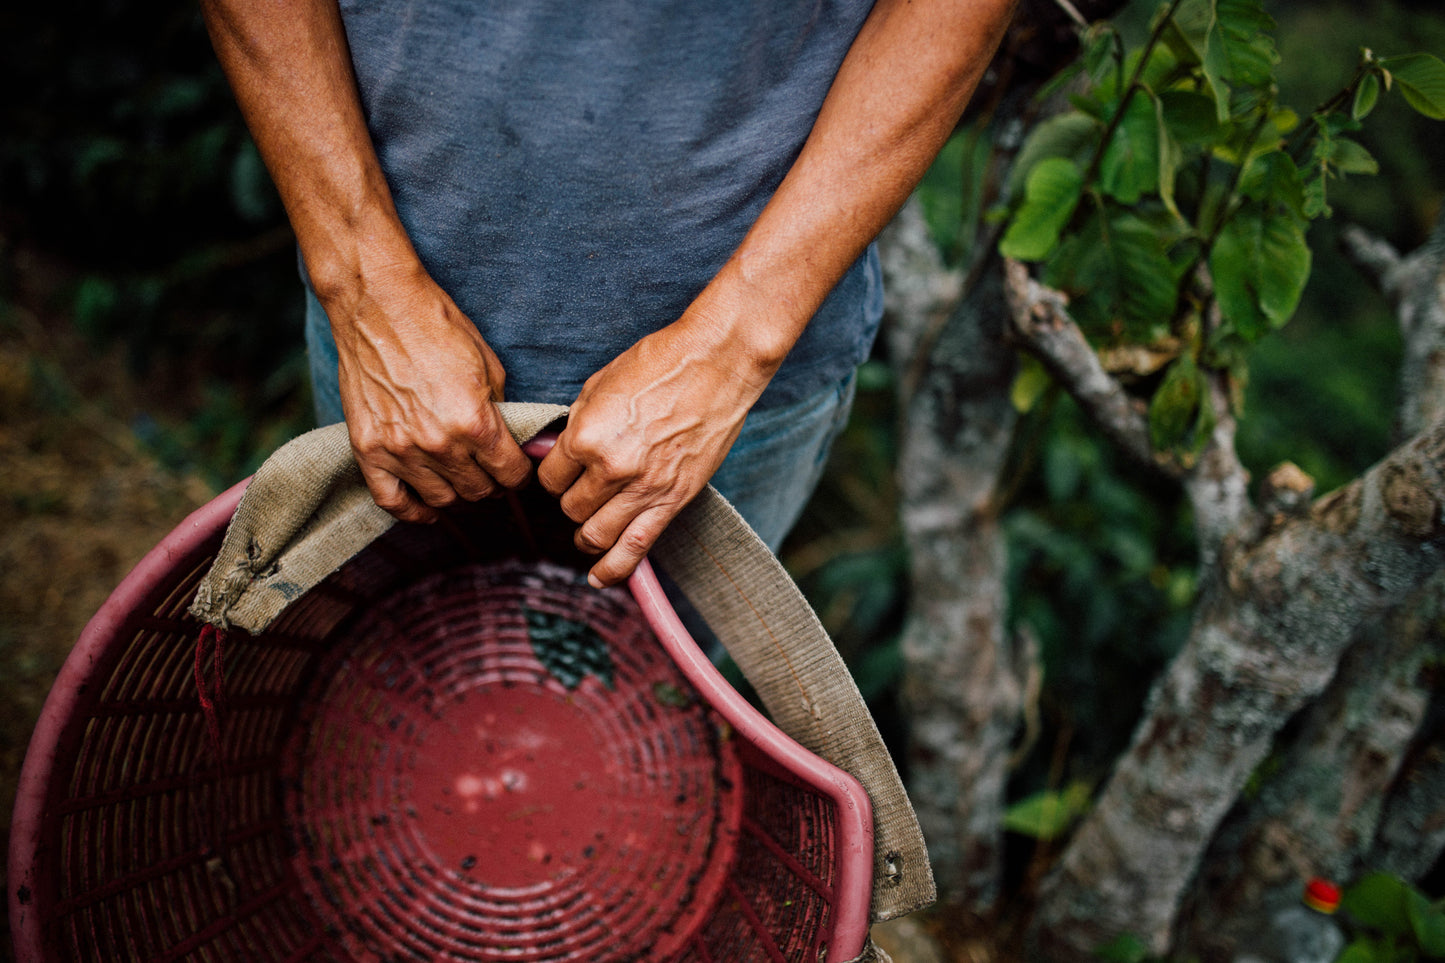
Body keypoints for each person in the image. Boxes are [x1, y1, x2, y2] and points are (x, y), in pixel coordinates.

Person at [200, 0, 1016, 590]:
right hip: (391, 345)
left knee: (663, 696)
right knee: (383, 635)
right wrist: (363, 289)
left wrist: (731, 351)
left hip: (734, 397)